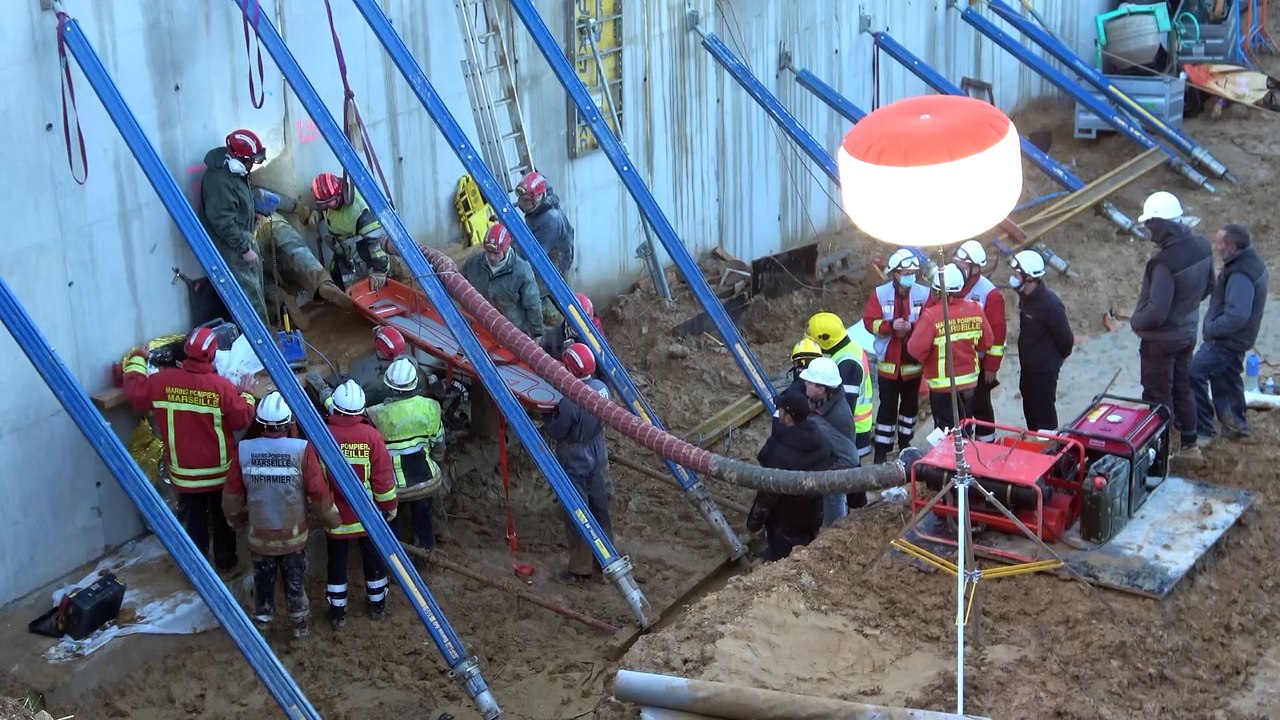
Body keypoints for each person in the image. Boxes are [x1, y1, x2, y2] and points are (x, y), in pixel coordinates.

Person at [123, 327, 257, 571]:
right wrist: (247, 395)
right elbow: (241, 419)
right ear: (213, 355)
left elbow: (134, 395)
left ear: (185, 351)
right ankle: (226, 563)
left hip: (184, 474)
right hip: (218, 473)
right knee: (222, 520)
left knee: (194, 523)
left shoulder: (162, 382)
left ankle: (197, 569)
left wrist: (137, 360)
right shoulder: (221, 387)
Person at [222, 392, 341, 638]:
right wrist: (333, 519)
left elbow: (232, 494)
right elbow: (317, 492)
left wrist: (233, 518)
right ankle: (300, 628)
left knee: (263, 581)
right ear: (289, 422)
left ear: (261, 422)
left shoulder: (245, 450)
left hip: (260, 536)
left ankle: (262, 626)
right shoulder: (301, 450)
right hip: (293, 537)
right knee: (295, 584)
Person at [1130, 191, 1215, 455]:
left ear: (1161, 224)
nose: (1148, 231)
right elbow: (1209, 286)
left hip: (1160, 343)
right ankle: (1190, 443)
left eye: (1150, 225)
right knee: (1182, 387)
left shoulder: (1163, 263)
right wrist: (1184, 309)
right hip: (1187, 334)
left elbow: (1157, 311)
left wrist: (1136, 322)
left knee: (1157, 396)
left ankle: (1159, 452)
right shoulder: (1202, 246)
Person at [322, 380, 399, 630]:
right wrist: (389, 505)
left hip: (335, 517)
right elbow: (382, 477)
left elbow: (315, 477)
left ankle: (338, 612)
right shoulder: (371, 437)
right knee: (373, 559)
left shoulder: (323, 435)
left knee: (336, 561)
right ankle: (377, 605)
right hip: (367, 516)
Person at [1190, 223, 1268, 442]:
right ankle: (1235, 426)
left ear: (1232, 247)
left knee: (1193, 373)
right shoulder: (1248, 262)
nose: (1217, 246)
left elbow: (1237, 315)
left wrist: (1211, 329)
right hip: (1236, 339)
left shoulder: (1241, 273)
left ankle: (1203, 428)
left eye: (1221, 243)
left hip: (1225, 341)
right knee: (1225, 378)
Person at [545, 343, 614, 582]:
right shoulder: (602, 388)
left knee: (577, 510)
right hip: (598, 450)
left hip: (575, 456)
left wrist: (546, 415)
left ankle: (580, 567)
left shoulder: (569, 401)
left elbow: (557, 430)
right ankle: (606, 561)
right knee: (600, 507)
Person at [367, 357, 446, 549]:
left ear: (389, 386)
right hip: (426, 481)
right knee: (423, 519)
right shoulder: (431, 407)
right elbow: (439, 445)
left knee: (389, 518)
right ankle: (427, 553)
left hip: (393, 487)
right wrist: (435, 462)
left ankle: (394, 558)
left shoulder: (376, 414)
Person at [746, 387, 833, 562]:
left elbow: (768, 494)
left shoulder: (780, 452)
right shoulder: (822, 441)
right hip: (813, 516)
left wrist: (753, 524)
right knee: (805, 554)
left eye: (781, 410)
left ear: (788, 417)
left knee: (783, 561)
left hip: (785, 526)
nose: (778, 413)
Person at [862, 248, 931, 462]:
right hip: (889, 366)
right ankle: (881, 454)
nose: (909, 276)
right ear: (894, 273)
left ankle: (905, 447)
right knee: (887, 411)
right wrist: (890, 326)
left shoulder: (924, 293)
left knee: (909, 410)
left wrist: (911, 327)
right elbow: (869, 322)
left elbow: (930, 321)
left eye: (912, 272)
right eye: (904, 272)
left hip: (912, 366)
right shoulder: (880, 294)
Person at [907, 263, 993, 432]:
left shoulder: (932, 315)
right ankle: (965, 456)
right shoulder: (975, 309)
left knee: (945, 433)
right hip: (969, 383)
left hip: (943, 386)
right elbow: (987, 342)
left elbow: (915, 350)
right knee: (966, 428)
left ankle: (948, 458)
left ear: (938, 290)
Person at [252, 188, 352, 330]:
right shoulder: (243, 179)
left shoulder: (220, 193)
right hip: (272, 219)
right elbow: (273, 197)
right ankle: (323, 281)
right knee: (297, 250)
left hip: (250, 234)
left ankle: (284, 300)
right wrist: (300, 209)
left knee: (262, 278)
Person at [199, 129, 268, 323]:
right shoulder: (219, 181)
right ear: (238, 160)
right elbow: (222, 221)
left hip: (242, 237)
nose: (252, 164)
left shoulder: (233, 172)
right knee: (250, 298)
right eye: (251, 161)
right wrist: (244, 248)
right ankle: (263, 346)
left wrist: (252, 215)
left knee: (257, 288)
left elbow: (235, 206)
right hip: (232, 247)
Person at [1009, 251, 1074, 431]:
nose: (1012, 279)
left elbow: (1066, 340)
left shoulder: (1050, 304)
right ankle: (1036, 445)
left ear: (1029, 278)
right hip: (1028, 369)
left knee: (1044, 415)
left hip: (1044, 372)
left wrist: (1050, 361)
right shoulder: (1026, 297)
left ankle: (1050, 451)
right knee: (1030, 410)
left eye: (1016, 275)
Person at [952, 240, 1007, 443]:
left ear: (976, 267)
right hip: (958, 361)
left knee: (981, 405)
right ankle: (964, 445)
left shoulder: (989, 294)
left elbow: (998, 334)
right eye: (957, 263)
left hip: (980, 364)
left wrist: (991, 366)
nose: (959, 268)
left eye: (963, 265)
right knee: (960, 409)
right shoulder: (955, 285)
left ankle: (987, 444)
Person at [798, 356, 864, 514]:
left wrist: (824, 473)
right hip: (825, 467)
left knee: (834, 509)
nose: (805, 383)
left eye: (810, 381)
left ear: (821, 389)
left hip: (832, 479)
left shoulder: (836, 417)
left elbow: (850, 458)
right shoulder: (819, 402)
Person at [805, 312, 874, 462]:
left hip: (853, 432)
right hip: (852, 431)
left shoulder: (847, 364)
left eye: (816, 342)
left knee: (851, 479)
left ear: (826, 341)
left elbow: (845, 407)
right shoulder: (848, 349)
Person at [311, 172, 391, 292]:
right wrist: (317, 212)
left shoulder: (360, 210)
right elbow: (326, 204)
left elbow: (377, 244)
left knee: (368, 289)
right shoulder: (330, 201)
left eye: (329, 202)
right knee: (341, 281)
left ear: (340, 193)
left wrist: (380, 271)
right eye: (322, 204)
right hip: (344, 253)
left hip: (364, 255)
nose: (327, 206)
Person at [460, 224, 544, 338]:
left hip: (511, 333)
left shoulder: (522, 270)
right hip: (478, 326)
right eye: (488, 252)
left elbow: (533, 304)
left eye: (496, 253)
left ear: (507, 249)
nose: (492, 257)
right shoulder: (473, 263)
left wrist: (536, 333)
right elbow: (458, 284)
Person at [515, 171, 576, 326]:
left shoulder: (550, 220)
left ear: (537, 198)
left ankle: (558, 327)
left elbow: (534, 256)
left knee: (544, 300)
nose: (522, 204)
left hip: (554, 260)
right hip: (545, 249)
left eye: (526, 201)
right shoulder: (539, 195)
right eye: (521, 199)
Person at [540, 292, 605, 358]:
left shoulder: (595, 332)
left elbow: (602, 356)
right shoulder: (553, 333)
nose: (577, 328)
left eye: (583, 325)